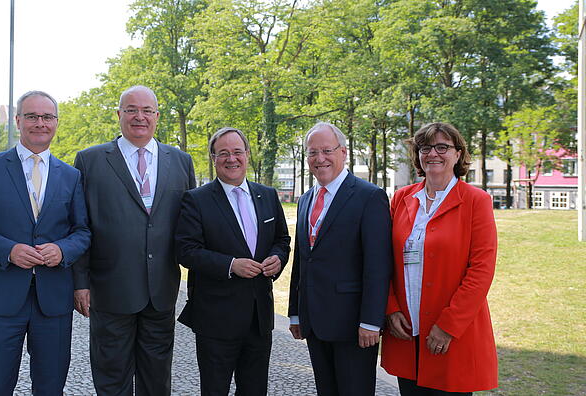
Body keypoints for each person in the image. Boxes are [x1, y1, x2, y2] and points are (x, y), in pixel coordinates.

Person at [0, 90, 91, 395]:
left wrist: (62, 250)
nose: (39, 123)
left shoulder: (70, 176)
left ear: (56, 123)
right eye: (32, 116)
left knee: (50, 386)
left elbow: (82, 232)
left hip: (53, 300)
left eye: (47, 117)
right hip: (2, 298)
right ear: (18, 120)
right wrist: (9, 251)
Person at [72, 85, 196, 396]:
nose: (139, 117)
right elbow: (79, 224)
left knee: (157, 380)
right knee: (111, 378)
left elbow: (192, 228)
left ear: (157, 116)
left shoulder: (181, 161)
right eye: (131, 110)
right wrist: (79, 282)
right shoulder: (90, 161)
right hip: (110, 290)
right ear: (118, 115)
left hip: (161, 292)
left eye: (146, 111)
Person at [380, 122, 498, 395]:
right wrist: (390, 307)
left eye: (442, 147)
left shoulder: (475, 201)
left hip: (452, 334)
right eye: (425, 147)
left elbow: (481, 271)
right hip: (406, 331)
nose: (433, 153)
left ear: (458, 154)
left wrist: (448, 326)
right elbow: (383, 259)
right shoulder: (401, 198)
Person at [175, 127, 291, 395]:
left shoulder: (268, 195)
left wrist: (278, 258)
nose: (232, 159)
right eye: (223, 153)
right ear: (213, 158)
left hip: (259, 317)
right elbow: (186, 251)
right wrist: (230, 265)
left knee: (254, 390)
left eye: (238, 152)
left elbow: (282, 240)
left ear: (248, 155)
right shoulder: (196, 200)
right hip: (216, 318)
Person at [288, 121, 393, 395]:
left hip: (353, 325)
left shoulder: (369, 197)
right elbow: (302, 259)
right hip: (314, 320)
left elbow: (378, 265)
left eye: (326, 150)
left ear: (343, 152)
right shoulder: (306, 199)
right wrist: (295, 312)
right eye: (312, 153)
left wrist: (371, 321)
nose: (319, 158)